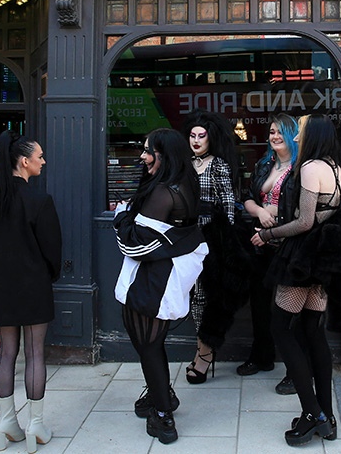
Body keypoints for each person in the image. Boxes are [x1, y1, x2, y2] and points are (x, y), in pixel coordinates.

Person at [251, 114, 341, 446]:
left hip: (302, 261)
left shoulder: (310, 167)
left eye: (301, 131)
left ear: (314, 135)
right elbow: (329, 213)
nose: (296, 138)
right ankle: (326, 414)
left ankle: (312, 413)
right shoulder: (334, 168)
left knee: (282, 328)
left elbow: (304, 221)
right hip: (322, 262)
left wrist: (267, 234)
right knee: (313, 331)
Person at [114, 128, 208, 444]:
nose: (142, 156)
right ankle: (161, 395)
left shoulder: (163, 192)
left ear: (163, 154)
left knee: (148, 346)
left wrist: (121, 214)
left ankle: (164, 416)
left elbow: (135, 244)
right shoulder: (184, 185)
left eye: (147, 150)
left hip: (154, 281)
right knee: (152, 345)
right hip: (165, 278)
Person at [0, 131, 62, 452]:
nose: (43, 161)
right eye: (39, 157)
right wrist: (48, 274)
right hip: (34, 285)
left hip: (1, 285)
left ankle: (7, 420)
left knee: (7, 353)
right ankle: (35, 424)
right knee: (35, 353)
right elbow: (52, 250)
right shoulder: (40, 200)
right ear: (24, 161)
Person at [181, 110, 245, 384]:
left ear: (211, 139)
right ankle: (202, 352)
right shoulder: (183, 164)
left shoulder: (217, 165)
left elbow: (228, 202)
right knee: (193, 298)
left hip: (210, 239)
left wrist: (226, 237)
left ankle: (204, 356)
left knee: (208, 297)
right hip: (185, 236)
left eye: (201, 136)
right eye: (192, 135)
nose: (196, 140)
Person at [238, 114, 299, 395]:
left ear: (293, 135)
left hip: (288, 244)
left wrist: (277, 214)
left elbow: (303, 208)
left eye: (281, 132)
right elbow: (247, 197)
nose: (275, 137)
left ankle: (294, 370)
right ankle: (261, 355)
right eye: (272, 132)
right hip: (259, 242)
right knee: (259, 304)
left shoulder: (301, 167)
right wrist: (261, 211)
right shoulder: (265, 163)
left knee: (288, 309)